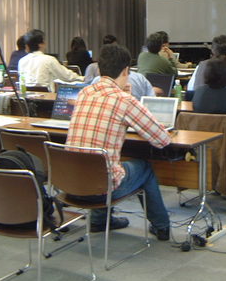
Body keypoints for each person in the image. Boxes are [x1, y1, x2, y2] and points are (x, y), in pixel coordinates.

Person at [66, 44, 172, 238]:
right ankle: (162, 226)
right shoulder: (124, 100)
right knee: (145, 168)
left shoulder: (84, 93)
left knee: (99, 163)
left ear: (99, 69)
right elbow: (162, 140)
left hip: (70, 184)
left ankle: (99, 221)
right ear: (125, 71)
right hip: (100, 190)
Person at [18, 29, 83, 91]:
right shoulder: (49, 60)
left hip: (26, 96)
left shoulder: (21, 61)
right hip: (46, 96)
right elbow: (66, 76)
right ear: (40, 44)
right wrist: (82, 78)